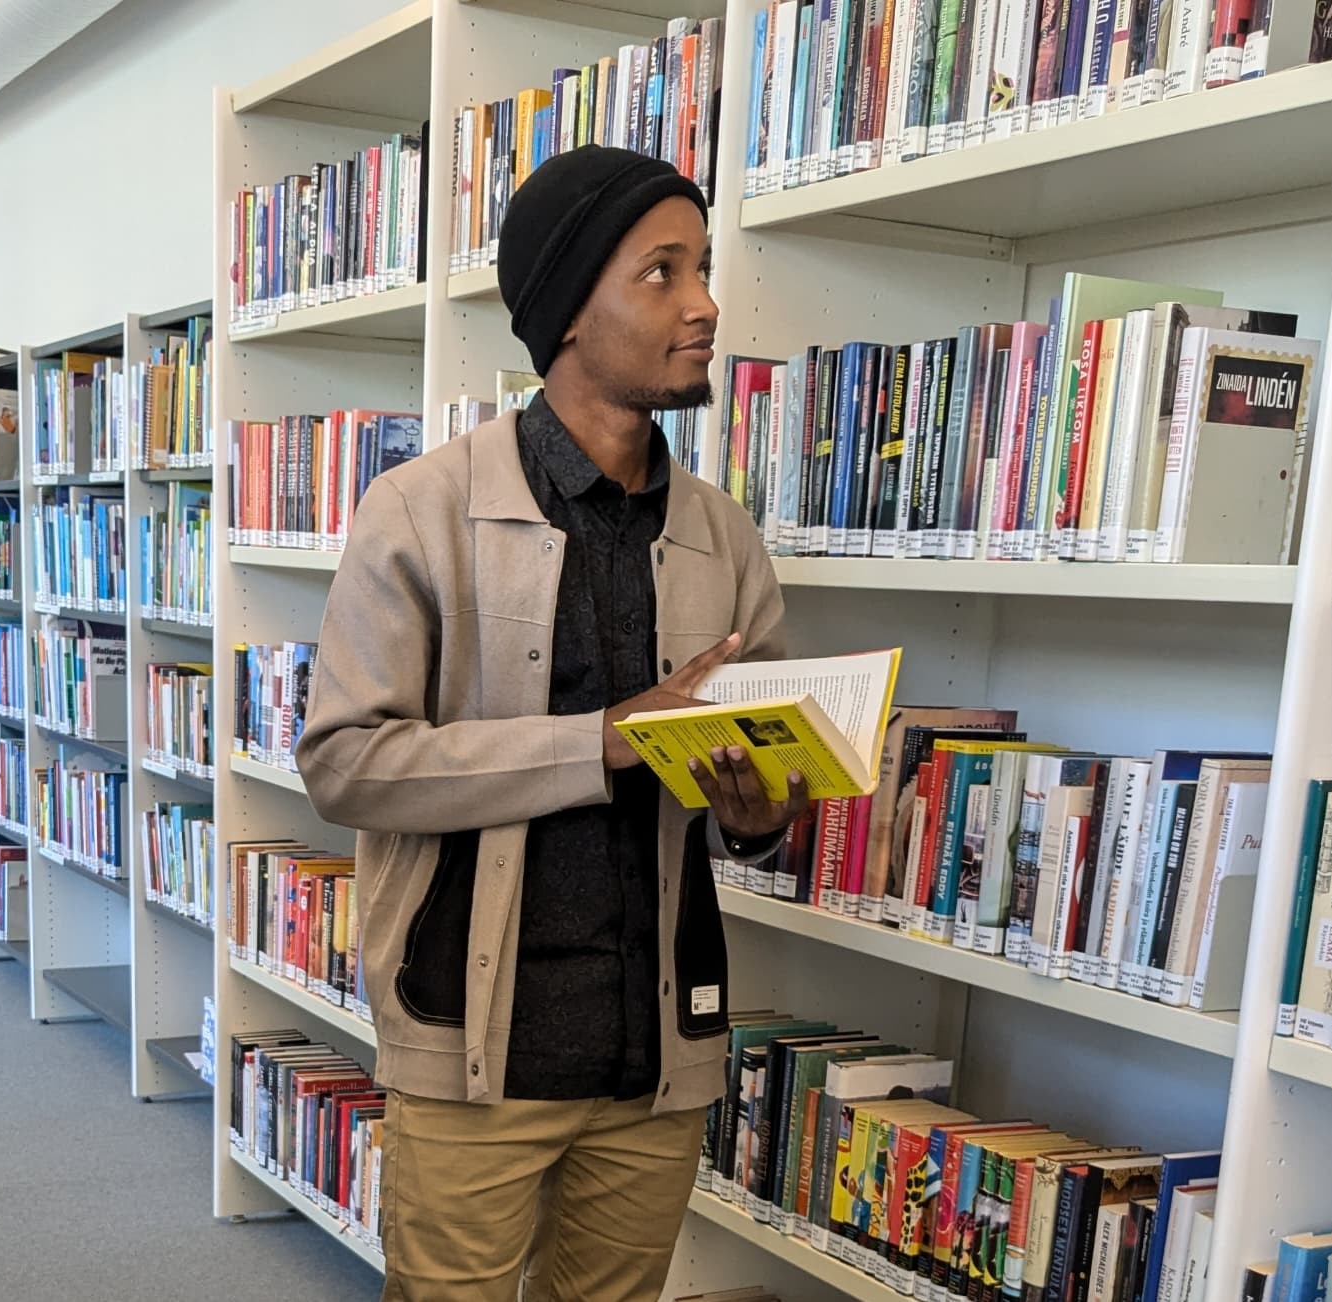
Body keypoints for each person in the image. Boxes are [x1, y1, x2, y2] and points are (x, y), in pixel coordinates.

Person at [296, 146, 806, 1302]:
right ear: (570, 311)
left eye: (706, 269)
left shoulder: (725, 539)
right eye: (662, 273)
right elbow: (346, 765)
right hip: (477, 1050)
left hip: (658, 1054)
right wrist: (606, 738)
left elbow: (762, 782)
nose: (706, 305)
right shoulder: (419, 512)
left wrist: (761, 814)